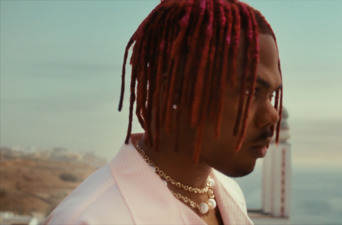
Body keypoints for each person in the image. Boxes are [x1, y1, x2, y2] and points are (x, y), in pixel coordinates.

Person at [44, 0, 282, 224]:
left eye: (271, 95)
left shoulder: (227, 194)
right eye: (250, 93)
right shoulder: (91, 218)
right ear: (178, 92)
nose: (272, 115)